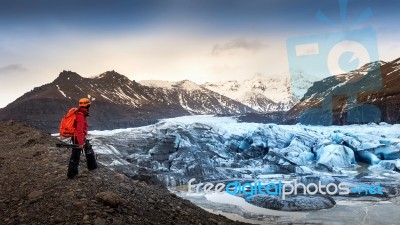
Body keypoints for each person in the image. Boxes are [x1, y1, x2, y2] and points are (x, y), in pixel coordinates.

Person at [67, 98, 98, 179]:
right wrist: (80, 143)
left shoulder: (80, 113)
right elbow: (79, 131)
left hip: (77, 137)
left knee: (88, 148)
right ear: (87, 105)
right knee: (75, 155)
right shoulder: (80, 115)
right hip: (77, 137)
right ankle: (72, 174)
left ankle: (92, 167)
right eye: (89, 104)